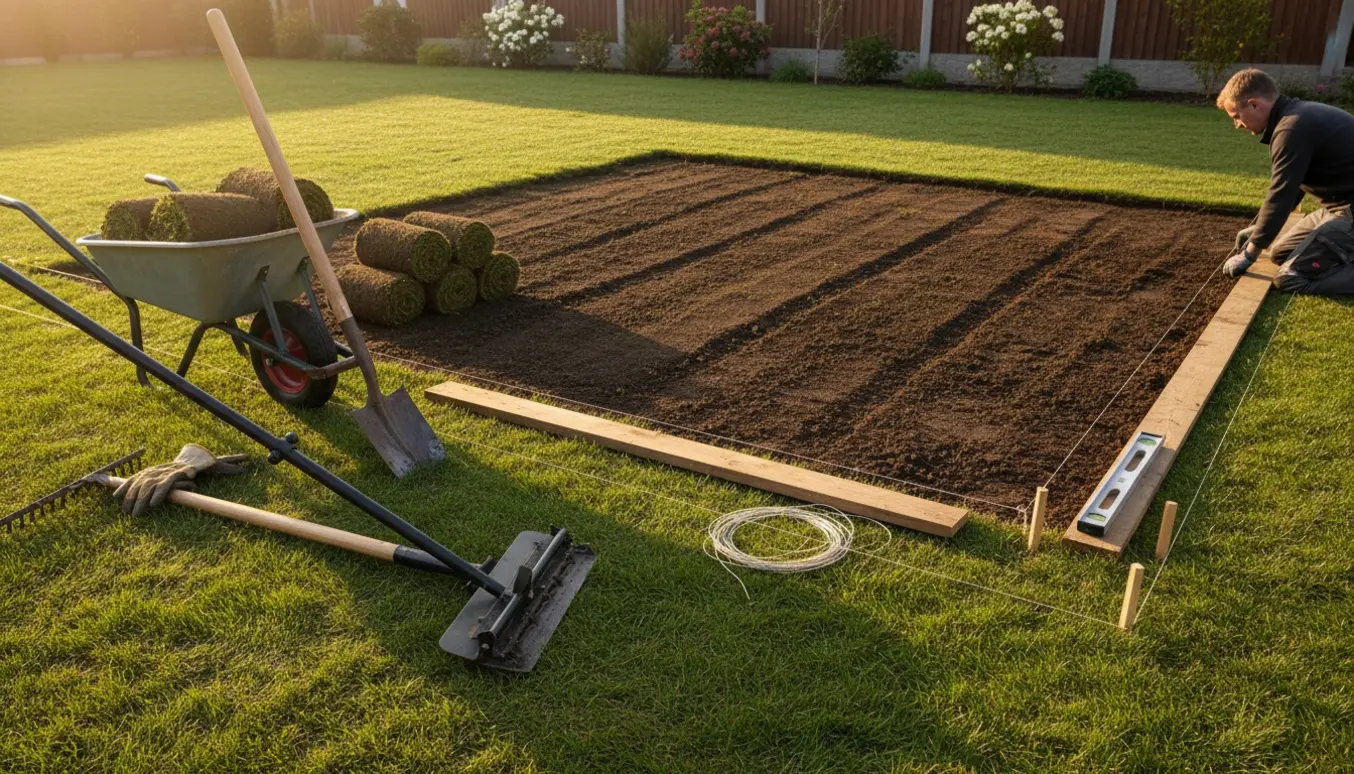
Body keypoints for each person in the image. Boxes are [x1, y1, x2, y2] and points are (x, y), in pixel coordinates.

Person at [1218, 68, 1354, 294]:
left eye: (1236, 117)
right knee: (1280, 253)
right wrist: (1258, 229)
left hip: (1349, 211)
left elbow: (1281, 195)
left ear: (1254, 104)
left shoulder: (1291, 128)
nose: (1237, 125)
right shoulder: (1295, 118)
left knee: (1289, 277)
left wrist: (1249, 253)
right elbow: (1293, 187)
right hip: (1337, 207)